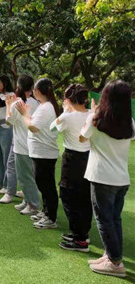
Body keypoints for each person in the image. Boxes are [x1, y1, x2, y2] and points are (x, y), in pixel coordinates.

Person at [80, 80, 134, 278]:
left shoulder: (96, 120)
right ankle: (111, 255)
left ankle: (115, 262)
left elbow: (82, 138)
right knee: (114, 219)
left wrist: (92, 114)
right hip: (121, 179)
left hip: (102, 177)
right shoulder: (129, 122)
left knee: (104, 220)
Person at [50, 84, 92, 251]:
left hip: (73, 159)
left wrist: (65, 111)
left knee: (68, 196)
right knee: (84, 197)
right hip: (88, 158)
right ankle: (82, 234)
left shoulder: (68, 117)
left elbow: (52, 128)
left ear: (67, 99)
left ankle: (79, 238)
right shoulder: (92, 114)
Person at [16, 78, 61, 230]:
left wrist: (24, 113)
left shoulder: (46, 107)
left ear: (38, 91)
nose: (33, 91)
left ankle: (51, 217)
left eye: (35, 89)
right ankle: (46, 212)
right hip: (41, 151)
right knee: (44, 184)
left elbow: (33, 127)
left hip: (44, 152)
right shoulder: (46, 106)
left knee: (46, 186)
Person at [5, 75, 40, 215]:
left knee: (25, 177)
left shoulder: (17, 103)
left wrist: (8, 105)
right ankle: (27, 200)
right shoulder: (36, 103)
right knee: (27, 176)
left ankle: (33, 204)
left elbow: (8, 121)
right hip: (32, 143)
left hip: (21, 145)